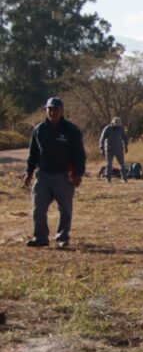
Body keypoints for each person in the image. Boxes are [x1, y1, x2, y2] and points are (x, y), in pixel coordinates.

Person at [23, 97, 86, 249]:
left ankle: (62, 238)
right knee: (38, 208)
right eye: (49, 109)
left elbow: (80, 154)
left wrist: (78, 174)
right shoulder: (39, 130)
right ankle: (40, 237)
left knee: (65, 209)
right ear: (46, 110)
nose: (52, 112)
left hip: (63, 176)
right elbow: (33, 154)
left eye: (55, 109)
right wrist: (29, 173)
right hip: (43, 176)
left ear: (62, 111)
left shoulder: (71, 130)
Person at [99, 117, 129, 183]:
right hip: (109, 149)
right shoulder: (107, 129)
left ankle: (124, 178)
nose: (118, 126)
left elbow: (125, 138)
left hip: (119, 149)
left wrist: (126, 147)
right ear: (113, 123)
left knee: (122, 164)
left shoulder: (121, 129)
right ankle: (108, 178)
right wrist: (101, 148)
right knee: (109, 164)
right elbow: (102, 139)